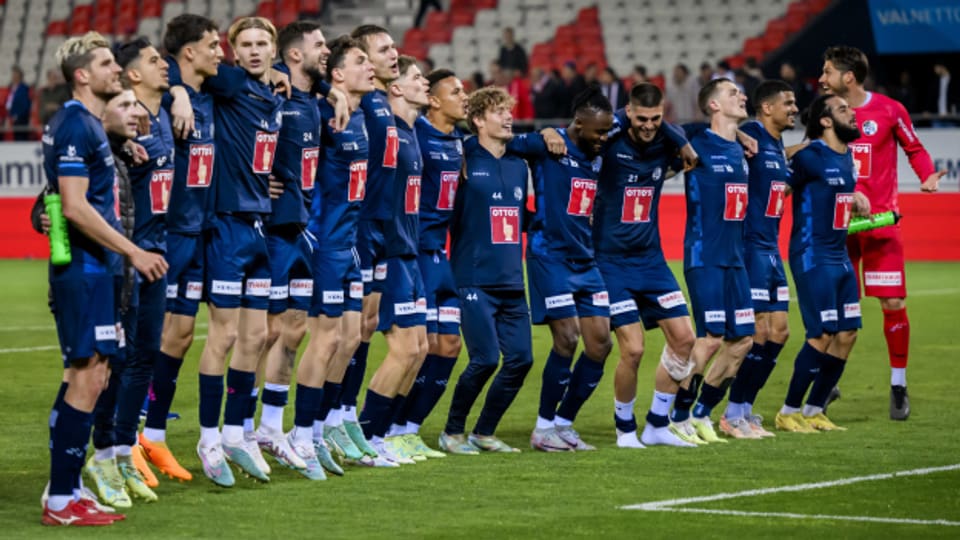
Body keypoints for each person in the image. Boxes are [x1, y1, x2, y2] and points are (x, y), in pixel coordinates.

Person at [42, 31, 167, 526]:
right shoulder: (76, 125)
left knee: (90, 377)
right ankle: (61, 501)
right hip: (86, 271)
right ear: (82, 75)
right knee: (87, 378)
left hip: (99, 271)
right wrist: (134, 251)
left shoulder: (93, 128)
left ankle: (66, 491)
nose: (115, 69)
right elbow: (71, 206)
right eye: (105, 65)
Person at [818, 45, 946, 420]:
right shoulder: (824, 113)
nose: (821, 78)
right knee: (838, 312)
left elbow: (914, 147)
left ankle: (898, 384)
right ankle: (828, 382)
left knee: (892, 305)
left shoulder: (890, 110)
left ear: (849, 77)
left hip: (880, 226)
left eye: (827, 72)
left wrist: (927, 175)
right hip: (839, 228)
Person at [195, 16, 284, 485]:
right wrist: (172, 91)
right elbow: (177, 68)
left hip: (260, 227)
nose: (253, 51)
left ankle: (235, 431)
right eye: (244, 44)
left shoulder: (273, 97)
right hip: (227, 227)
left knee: (256, 338)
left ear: (274, 49)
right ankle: (208, 436)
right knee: (224, 336)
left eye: (261, 43)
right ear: (231, 50)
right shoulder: (228, 84)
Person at [87, 38, 176, 506]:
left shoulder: (166, 112)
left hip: (156, 253)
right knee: (114, 363)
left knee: (144, 358)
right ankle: (101, 455)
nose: (166, 65)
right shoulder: (118, 119)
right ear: (131, 75)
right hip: (124, 258)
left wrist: (179, 95)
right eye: (155, 60)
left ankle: (124, 451)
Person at [138, 13, 222, 483]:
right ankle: (123, 436)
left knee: (182, 336)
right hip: (166, 235)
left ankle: (155, 435)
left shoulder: (211, 98)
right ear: (187, 52)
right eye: (213, 44)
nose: (220, 52)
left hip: (200, 231)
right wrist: (176, 92)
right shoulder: (163, 102)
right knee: (147, 339)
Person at [593, 83, 698, 448]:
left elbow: (687, 138)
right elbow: (589, 127)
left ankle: (657, 424)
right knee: (633, 349)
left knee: (685, 340)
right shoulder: (608, 141)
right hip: (610, 261)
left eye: (656, 119)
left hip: (651, 259)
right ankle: (625, 429)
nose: (649, 125)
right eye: (641, 118)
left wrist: (676, 136)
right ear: (628, 112)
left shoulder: (666, 143)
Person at [253, 20, 335, 480]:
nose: (327, 50)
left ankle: (271, 427)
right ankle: (240, 431)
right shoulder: (272, 97)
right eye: (319, 45)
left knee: (295, 328)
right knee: (260, 333)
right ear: (295, 54)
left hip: (301, 226)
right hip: (270, 230)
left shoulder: (314, 103)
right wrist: (254, 178)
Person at [440, 87, 541, 453]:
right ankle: (452, 432)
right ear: (479, 120)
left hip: (512, 280)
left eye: (508, 111)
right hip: (472, 277)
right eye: (499, 112)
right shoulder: (462, 154)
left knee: (522, 360)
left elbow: (516, 214)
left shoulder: (518, 165)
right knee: (484, 360)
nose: (508, 117)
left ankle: (484, 432)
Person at [302, 35, 381, 466]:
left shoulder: (362, 115)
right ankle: (301, 433)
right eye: (360, 61)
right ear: (336, 73)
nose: (369, 68)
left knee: (350, 339)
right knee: (322, 340)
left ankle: (325, 424)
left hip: (349, 242)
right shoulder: (320, 112)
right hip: (324, 240)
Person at [775, 93, 869, 432]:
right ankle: (788, 411)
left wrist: (855, 196)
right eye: (844, 109)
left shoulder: (847, 158)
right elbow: (779, 187)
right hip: (812, 253)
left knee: (846, 335)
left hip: (839, 255)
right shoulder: (811, 156)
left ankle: (815, 410)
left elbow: (837, 195)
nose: (853, 113)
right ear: (826, 121)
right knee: (822, 334)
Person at [668, 78, 755, 445]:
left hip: (736, 260)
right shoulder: (697, 143)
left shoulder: (742, 147)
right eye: (734, 93)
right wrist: (684, 137)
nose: (742, 97)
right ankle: (675, 415)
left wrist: (745, 137)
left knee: (744, 340)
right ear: (714, 105)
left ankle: (703, 414)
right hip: (705, 256)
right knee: (711, 339)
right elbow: (664, 128)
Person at [528, 87, 614, 452]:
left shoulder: (598, 149)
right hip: (550, 255)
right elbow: (497, 143)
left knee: (600, 344)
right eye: (598, 132)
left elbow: (644, 114)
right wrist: (545, 132)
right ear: (578, 124)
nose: (604, 138)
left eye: (608, 131)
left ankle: (564, 423)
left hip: (585, 259)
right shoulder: (548, 146)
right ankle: (543, 427)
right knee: (567, 337)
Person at [357, 55, 432, 464]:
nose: (426, 83)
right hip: (388, 249)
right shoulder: (384, 131)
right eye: (417, 78)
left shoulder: (411, 132)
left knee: (419, 348)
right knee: (403, 348)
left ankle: (382, 435)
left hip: (410, 251)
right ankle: (368, 435)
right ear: (397, 88)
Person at [395, 68, 468, 457]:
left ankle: (409, 429)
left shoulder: (460, 141)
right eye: (456, 91)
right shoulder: (415, 133)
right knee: (417, 347)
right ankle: (386, 427)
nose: (465, 96)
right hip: (416, 253)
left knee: (450, 345)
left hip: (441, 255)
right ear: (435, 101)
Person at [334, 24, 400, 460]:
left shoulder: (383, 104)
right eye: (383, 50)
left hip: (381, 228)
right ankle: (330, 419)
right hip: (356, 226)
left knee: (368, 327)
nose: (393, 54)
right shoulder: (359, 103)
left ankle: (346, 414)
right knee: (345, 332)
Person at [722, 80, 798, 438]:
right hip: (750, 246)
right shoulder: (750, 131)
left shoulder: (777, 143)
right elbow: (720, 130)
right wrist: (737, 135)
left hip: (771, 248)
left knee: (779, 333)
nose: (795, 109)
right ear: (767, 108)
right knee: (756, 333)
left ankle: (746, 408)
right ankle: (731, 411)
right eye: (789, 103)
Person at [5, 66, 32, 140]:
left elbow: (25, 105)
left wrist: (16, 116)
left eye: (15, 75)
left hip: (20, 119)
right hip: (10, 116)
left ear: (20, 76)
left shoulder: (24, 88)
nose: (13, 77)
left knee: (20, 138)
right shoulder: (10, 88)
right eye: (13, 75)